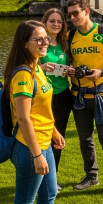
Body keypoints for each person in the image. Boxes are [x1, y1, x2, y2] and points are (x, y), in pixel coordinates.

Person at [65, 0, 103, 199]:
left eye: (76, 13)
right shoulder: (70, 36)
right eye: (70, 14)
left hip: (101, 93)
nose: (72, 17)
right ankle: (91, 176)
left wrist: (101, 70)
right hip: (79, 95)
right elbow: (67, 62)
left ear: (86, 11)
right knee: (85, 139)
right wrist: (70, 71)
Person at [5, 20, 64, 204]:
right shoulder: (24, 73)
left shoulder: (36, 66)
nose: (44, 42)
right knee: (24, 203)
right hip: (30, 147)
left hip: (44, 141)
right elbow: (23, 118)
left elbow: (40, 110)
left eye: (45, 38)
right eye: (37, 39)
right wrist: (37, 155)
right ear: (24, 43)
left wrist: (54, 131)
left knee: (49, 195)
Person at [40, 9, 73, 184]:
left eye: (59, 22)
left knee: (57, 139)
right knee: (41, 138)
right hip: (42, 98)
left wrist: (70, 71)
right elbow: (24, 68)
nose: (56, 24)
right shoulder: (37, 43)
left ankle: (52, 179)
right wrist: (43, 68)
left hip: (62, 97)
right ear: (45, 22)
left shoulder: (65, 44)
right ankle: (39, 177)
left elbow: (72, 65)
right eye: (52, 21)